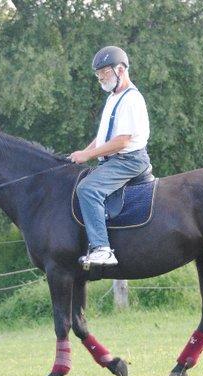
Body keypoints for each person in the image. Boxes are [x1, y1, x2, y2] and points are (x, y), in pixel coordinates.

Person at [69, 46, 151, 267]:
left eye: (104, 72)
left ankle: (103, 249)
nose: (101, 78)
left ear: (120, 69)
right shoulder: (113, 98)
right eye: (98, 74)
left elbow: (122, 141)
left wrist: (88, 156)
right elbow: (103, 138)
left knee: (87, 189)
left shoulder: (131, 99)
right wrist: (85, 153)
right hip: (116, 159)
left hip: (129, 160)